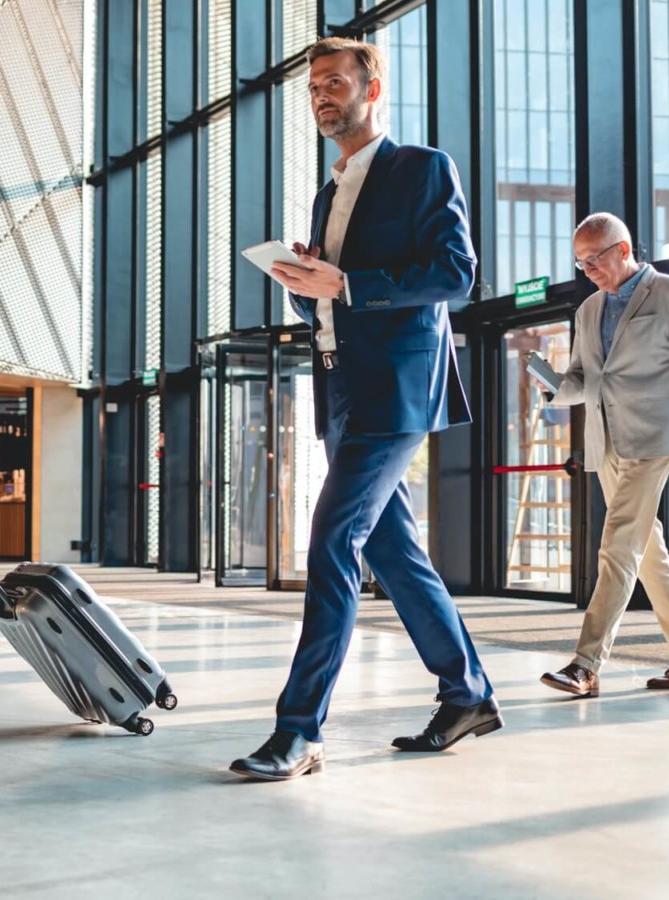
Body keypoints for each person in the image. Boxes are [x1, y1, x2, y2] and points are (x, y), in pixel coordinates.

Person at [229, 37, 498, 782]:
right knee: (392, 553)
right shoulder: (328, 191)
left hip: (397, 389)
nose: (321, 94)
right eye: (313, 85)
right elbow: (332, 294)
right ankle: (468, 693)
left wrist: (345, 284)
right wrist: (302, 278)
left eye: (335, 82)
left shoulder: (422, 169)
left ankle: (299, 731)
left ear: (370, 90)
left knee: (331, 543)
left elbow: (454, 272)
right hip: (342, 386)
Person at [537, 212, 669, 698]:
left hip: (653, 438)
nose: (588, 271)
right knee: (647, 553)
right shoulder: (587, 311)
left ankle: (586, 664)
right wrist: (553, 386)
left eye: (594, 259)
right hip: (607, 443)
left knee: (618, 546)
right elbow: (585, 381)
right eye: (580, 264)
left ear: (623, 250)